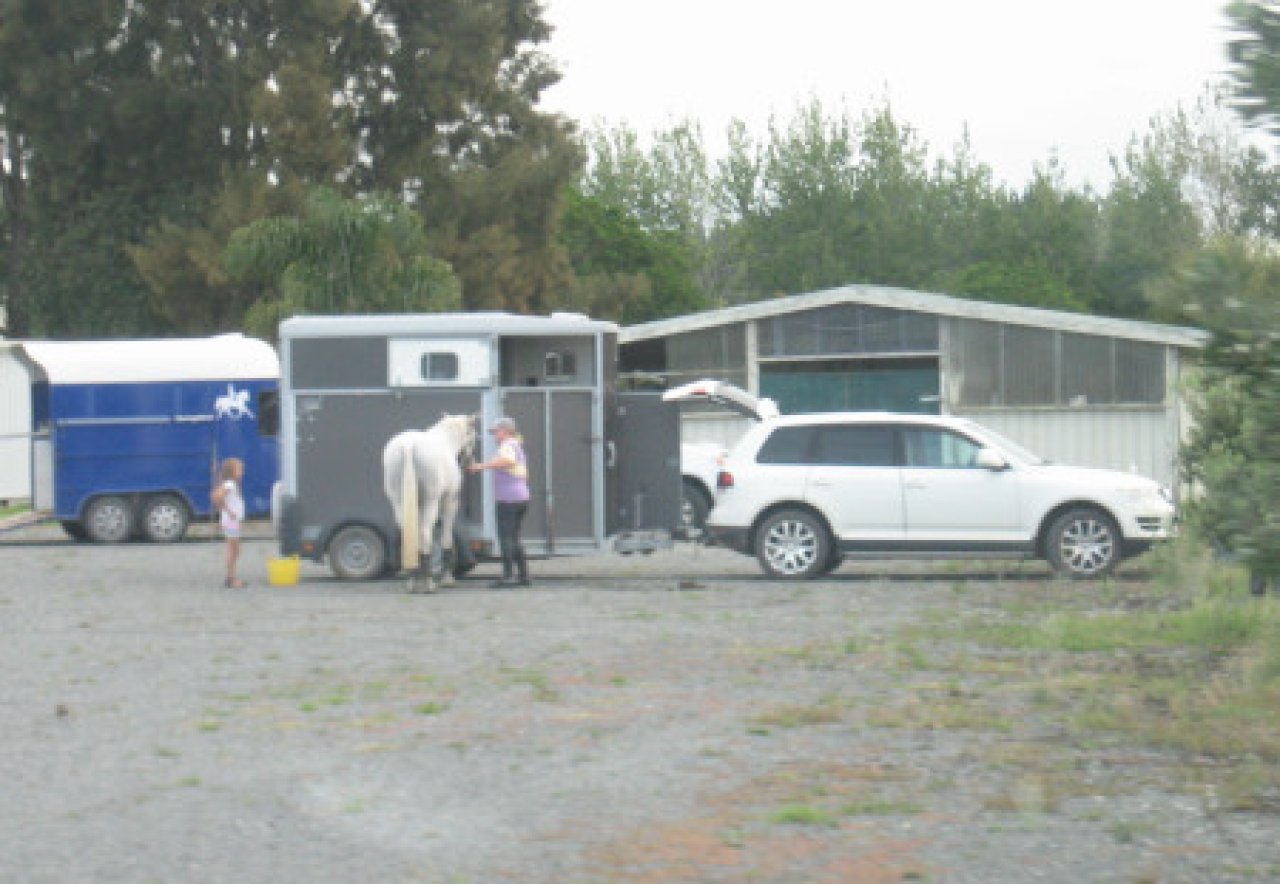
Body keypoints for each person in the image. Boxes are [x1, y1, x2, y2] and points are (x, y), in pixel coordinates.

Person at [468, 416, 531, 588]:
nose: (494, 436)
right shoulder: (517, 445)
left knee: (506, 538)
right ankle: (524, 576)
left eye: (496, 432)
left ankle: (508, 576)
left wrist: (480, 466)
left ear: (505, 431)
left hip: (508, 499)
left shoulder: (507, 445)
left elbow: (507, 461)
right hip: (521, 497)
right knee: (515, 538)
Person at [211, 457, 246, 588]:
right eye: (239, 469)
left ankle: (231, 577)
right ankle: (231, 579)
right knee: (234, 551)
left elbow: (216, 495)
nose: (242, 472)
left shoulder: (229, 484)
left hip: (231, 521)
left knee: (235, 550)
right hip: (232, 522)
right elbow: (217, 496)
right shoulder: (230, 484)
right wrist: (228, 511)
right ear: (232, 471)